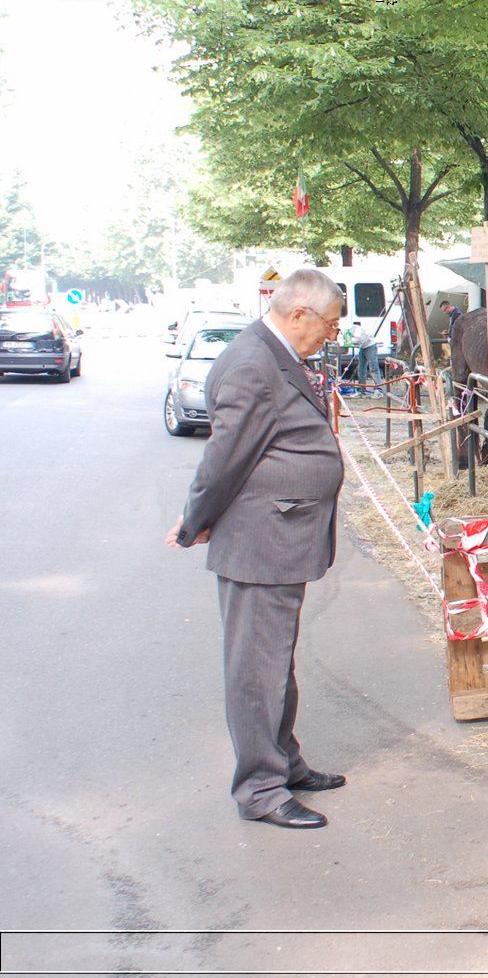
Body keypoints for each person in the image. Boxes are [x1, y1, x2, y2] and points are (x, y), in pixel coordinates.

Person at [165, 269, 348, 830]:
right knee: (256, 668)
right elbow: (225, 458)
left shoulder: (274, 354)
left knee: (275, 661)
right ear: (299, 315)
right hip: (261, 539)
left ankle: (283, 762)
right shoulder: (251, 362)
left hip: (281, 537)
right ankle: (260, 789)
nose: (332, 337)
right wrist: (196, 519)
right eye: (330, 326)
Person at [350, 320, 379, 391]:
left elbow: (359, 340)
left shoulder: (359, 331)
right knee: (361, 368)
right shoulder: (349, 329)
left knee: (373, 368)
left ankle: (378, 389)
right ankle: (362, 389)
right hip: (363, 347)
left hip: (370, 346)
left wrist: (351, 341)